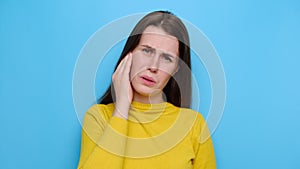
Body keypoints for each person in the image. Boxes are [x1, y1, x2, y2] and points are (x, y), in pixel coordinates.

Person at [77, 11, 216, 169]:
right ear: (129, 53)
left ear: (176, 68)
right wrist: (122, 107)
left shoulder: (193, 125)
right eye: (147, 50)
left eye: (166, 58)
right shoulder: (98, 118)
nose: (153, 66)